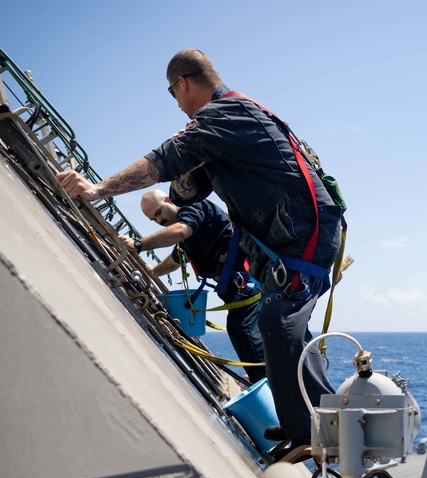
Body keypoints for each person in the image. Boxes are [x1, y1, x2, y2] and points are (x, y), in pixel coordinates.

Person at [56, 49, 343, 454]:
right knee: (286, 322)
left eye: (173, 95)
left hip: (303, 231)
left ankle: (310, 433)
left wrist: (99, 189)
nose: (177, 104)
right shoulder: (231, 123)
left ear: (183, 84)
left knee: (278, 321)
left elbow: (166, 158)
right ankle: (318, 418)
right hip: (297, 233)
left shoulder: (225, 115)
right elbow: (189, 179)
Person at [122, 189, 266, 384]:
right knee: (237, 328)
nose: (160, 221)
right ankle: (260, 377)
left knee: (245, 329)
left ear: (168, 200)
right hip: (236, 289)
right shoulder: (191, 232)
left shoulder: (193, 208)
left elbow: (180, 231)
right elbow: (177, 258)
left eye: (159, 213)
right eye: (153, 220)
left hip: (248, 284)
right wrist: (154, 272)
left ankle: (266, 382)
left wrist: (138, 244)